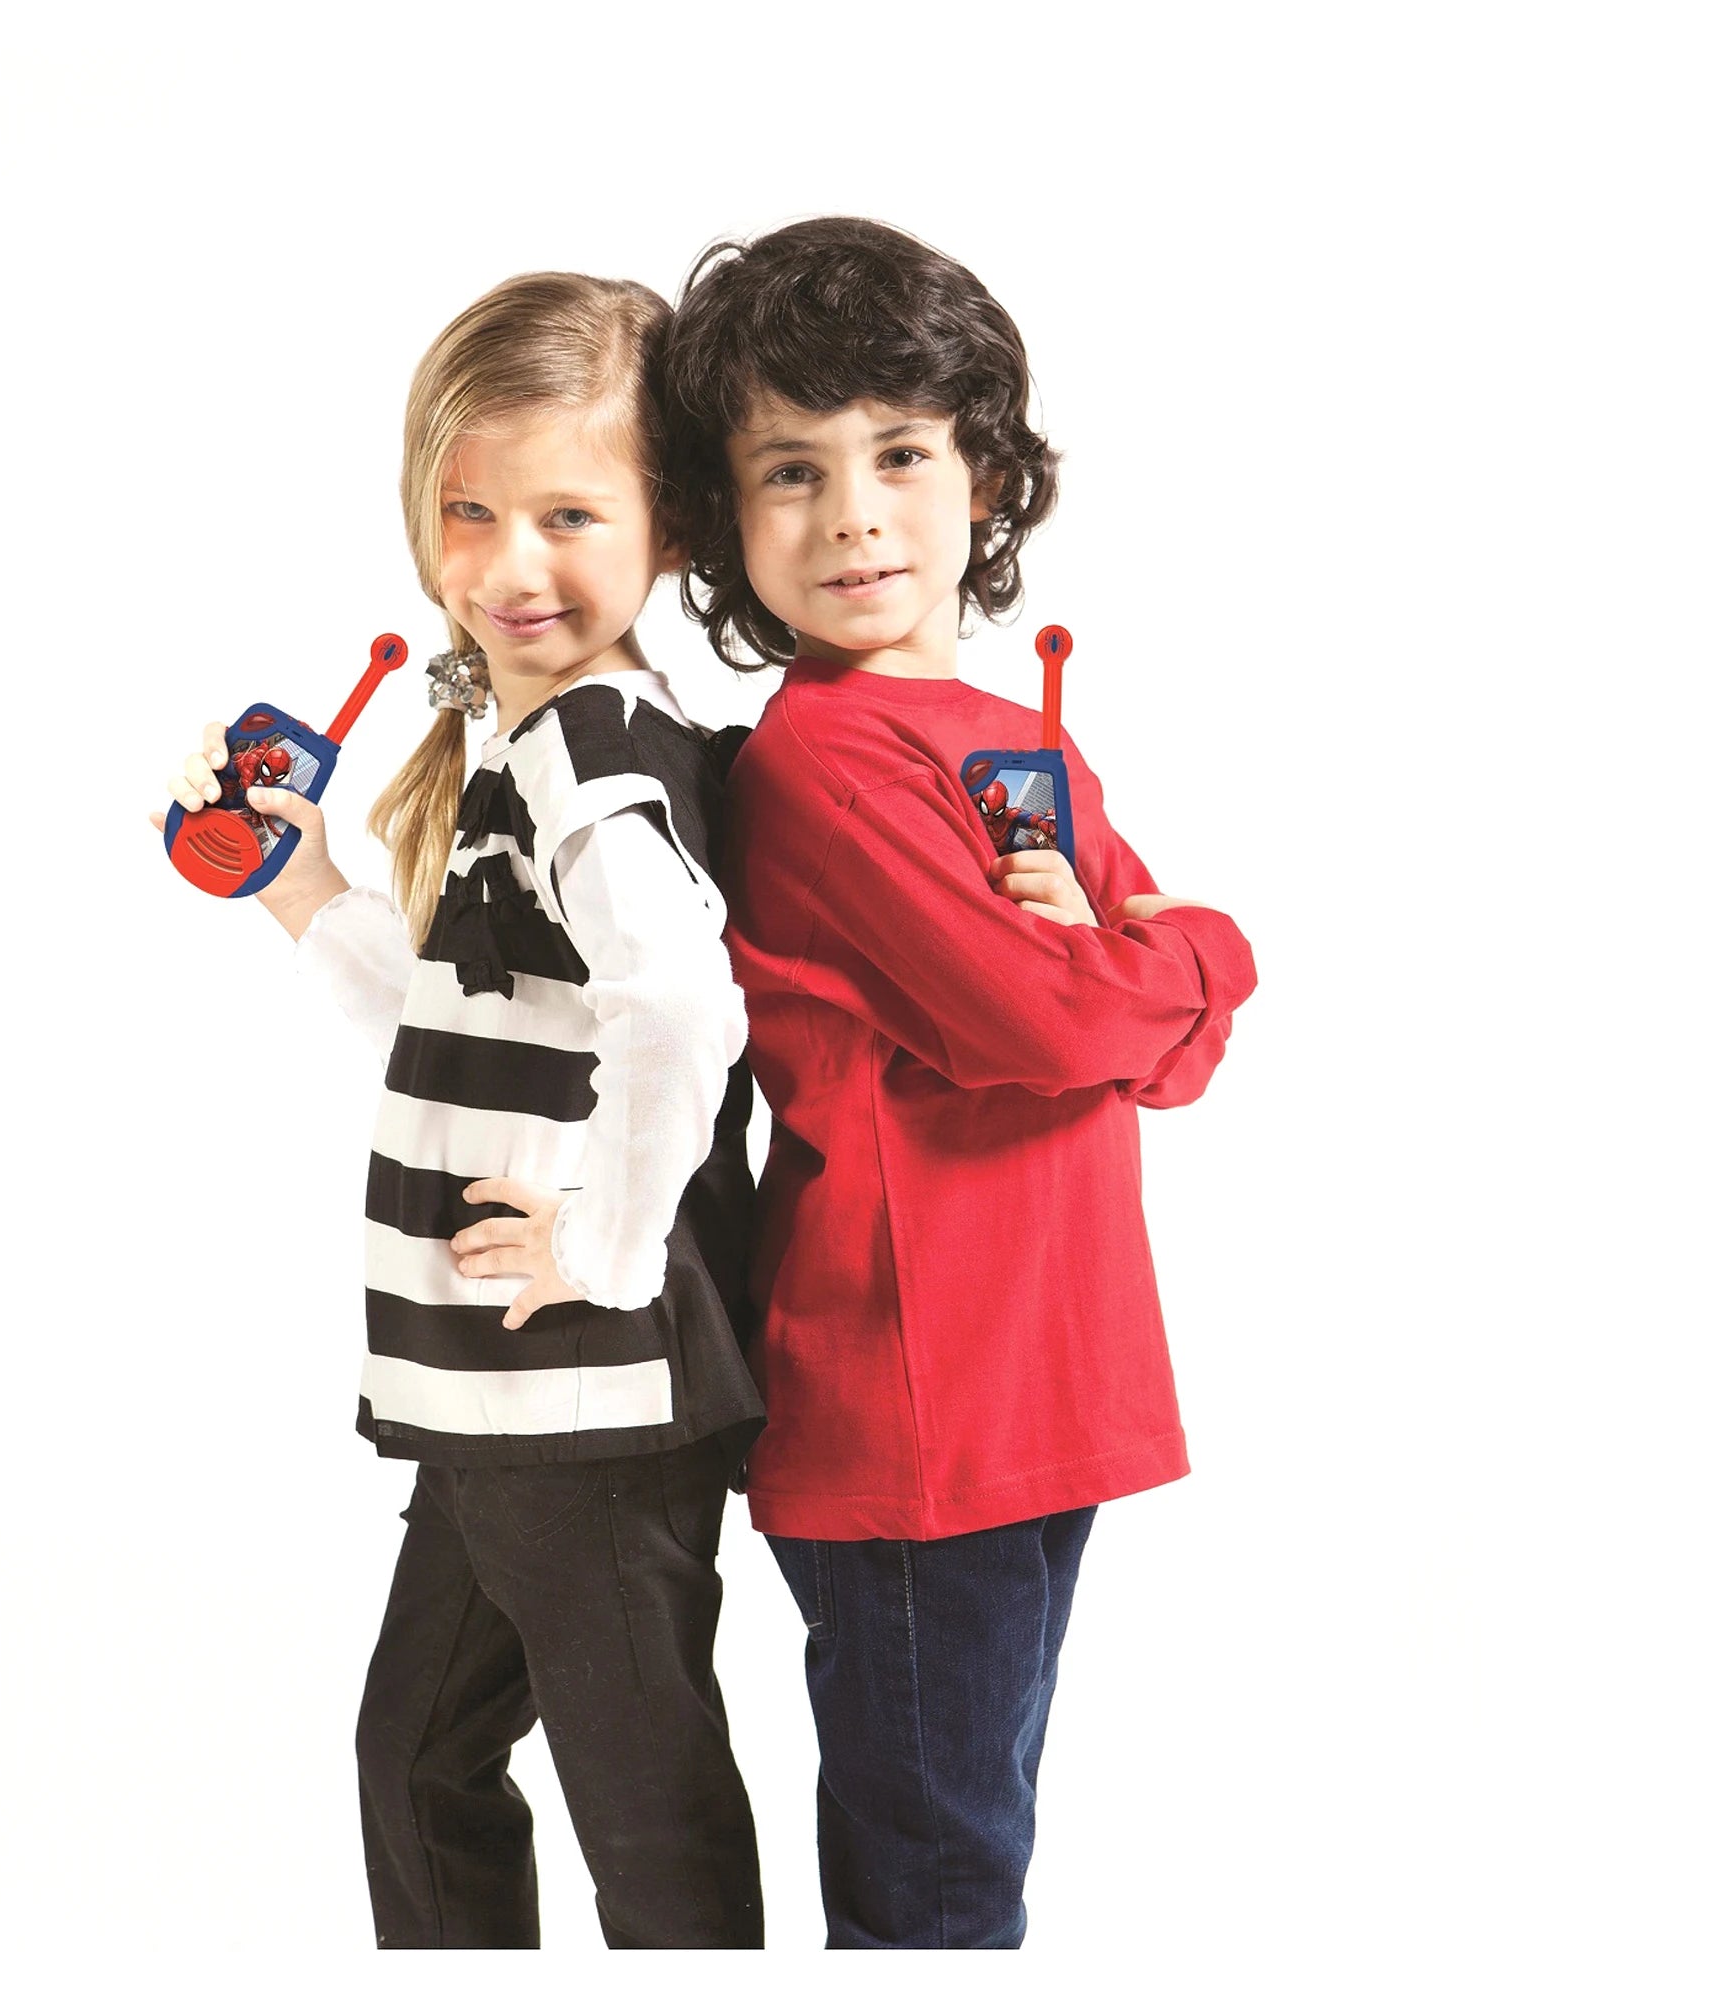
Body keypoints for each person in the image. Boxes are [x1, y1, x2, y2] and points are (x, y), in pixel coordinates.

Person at [661, 217, 1259, 1949]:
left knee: (970, 1852)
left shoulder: (1015, 739)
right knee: (938, 1889)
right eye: (793, 470)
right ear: (723, 520)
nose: (854, 513)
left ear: (984, 476)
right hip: (920, 1407)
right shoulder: (825, 765)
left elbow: (1173, 1052)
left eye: (901, 454)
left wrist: (1148, 972)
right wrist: (1195, 949)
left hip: (1043, 1382)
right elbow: (1061, 1029)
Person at [154, 272, 765, 1949]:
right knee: (422, 1759)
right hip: (506, 1391)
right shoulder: (528, 742)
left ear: (671, 527)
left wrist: (608, 1251)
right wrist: (301, 885)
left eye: (570, 515)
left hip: (578, 1391)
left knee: (640, 1812)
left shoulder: (591, 759)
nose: (511, 565)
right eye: (471, 512)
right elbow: (460, 1020)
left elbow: (684, 1011)